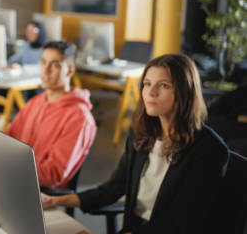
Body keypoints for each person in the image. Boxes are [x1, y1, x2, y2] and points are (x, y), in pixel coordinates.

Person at [42, 54, 229, 234]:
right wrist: (55, 201)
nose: (151, 92)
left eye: (163, 85)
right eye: (147, 84)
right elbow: (113, 188)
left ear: (185, 92)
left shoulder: (210, 150)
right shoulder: (143, 135)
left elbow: (180, 222)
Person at [0, 41, 97, 188]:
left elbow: (52, 175)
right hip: (13, 177)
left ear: (70, 70)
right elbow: (6, 140)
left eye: (55, 65)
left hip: (38, 192)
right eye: (43, 62)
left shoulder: (80, 118)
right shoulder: (36, 102)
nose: (46, 70)